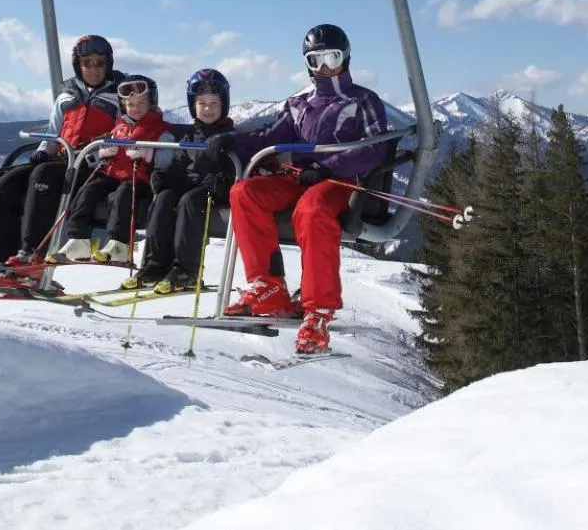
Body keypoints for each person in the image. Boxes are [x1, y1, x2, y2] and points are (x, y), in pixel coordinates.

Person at [204, 24, 388, 354]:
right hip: (300, 179)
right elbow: (269, 137)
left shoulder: (363, 101)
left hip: (340, 182)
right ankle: (268, 286)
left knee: (312, 209)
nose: (324, 67)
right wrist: (232, 141)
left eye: (331, 58)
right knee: (245, 193)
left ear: (346, 58)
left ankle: (318, 311)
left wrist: (330, 167)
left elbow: (375, 148)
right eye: (315, 60)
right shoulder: (299, 103)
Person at [0, 34, 124, 277]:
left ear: (108, 64)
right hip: (62, 160)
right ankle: (0, 262)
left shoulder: (119, 96)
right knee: (6, 182)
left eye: (99, 63)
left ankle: (33, 256)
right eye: (87, 63)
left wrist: (94, 155)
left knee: (44, 175)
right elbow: (53, 133)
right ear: (78, 65)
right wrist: (42, 152)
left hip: (94, 168)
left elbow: (125, 133)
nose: (93, 69)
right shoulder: (67, 95)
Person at [124, 68, 237, 293]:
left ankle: (187, 270)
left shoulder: (231, 136)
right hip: (192, 186)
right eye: (202, 104)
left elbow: (236, 167)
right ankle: (155, 264)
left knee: (189, 201)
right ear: (193, 106)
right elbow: (180, 165)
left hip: (215, 190)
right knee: (165, 198)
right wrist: (164, 178)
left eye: (214, 104)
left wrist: (222, 177)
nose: (208, 109)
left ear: (223, 105)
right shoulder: (187, 135)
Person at [54, 74, 175, 265]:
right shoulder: (119, 127)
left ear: (151, 102)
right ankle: (78, 239)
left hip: (141, 181)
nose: (135, 109)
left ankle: (119, 244)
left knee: (124, 193)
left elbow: (169, 159)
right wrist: (102, 153)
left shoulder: (160, 129)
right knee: (89, 189)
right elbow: (100, 154)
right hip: (113, 175)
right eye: (130, 104)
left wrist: (148, 154)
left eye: (141, 104)